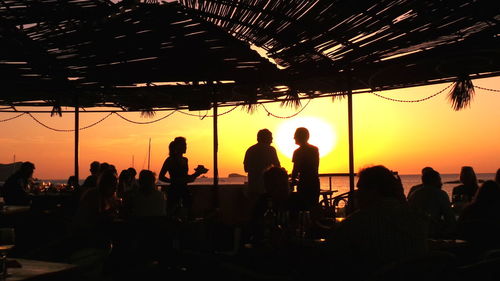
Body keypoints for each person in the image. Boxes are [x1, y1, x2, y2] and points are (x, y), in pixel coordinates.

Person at [319, 165, 428, 281]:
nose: (357, 194)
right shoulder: (417, 218)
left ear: (374, 190)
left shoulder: (359, 221)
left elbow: (329, 251)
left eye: (360, 189)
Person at [159, 137, 208, 217]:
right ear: (178, 146)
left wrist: (197, 173)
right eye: (184, 145)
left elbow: (186, 178)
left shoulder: (185, 160)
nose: (186, 147)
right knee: (172, 214)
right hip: (174, 191)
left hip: (184, 190)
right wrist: (173, 182)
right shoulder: (170, 160)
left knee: (187, 213)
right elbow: (161, 177)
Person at [407, 169, 456, 238]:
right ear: (434, 181)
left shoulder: (414, 194)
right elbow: (450, 218)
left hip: (415, 233)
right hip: (434, 234)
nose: (441, 183)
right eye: (439, 180)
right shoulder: (441, 194)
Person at [243, 129, 281, 213]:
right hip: (267, 188)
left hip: (253, 187)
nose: (272, 140)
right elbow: (277, 167)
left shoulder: (250, 150)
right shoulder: (271, 150)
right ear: (266, 138)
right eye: (270, 138)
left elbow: (246, 168)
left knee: (253, 212)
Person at [457, 180, 500, 251]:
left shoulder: (469, 210)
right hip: (494, 253)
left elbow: (458, 228)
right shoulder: (496, 211)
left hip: (469, 251)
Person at [290, 127, 320, 211]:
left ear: (300, 137)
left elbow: (295, 169)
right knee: (313, 207)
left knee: (303, 208)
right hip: (314, 182)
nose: (294, 138)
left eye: (295, 136)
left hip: (304, 183)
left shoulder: (297, 152)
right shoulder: (315, 149)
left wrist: (292, 181)